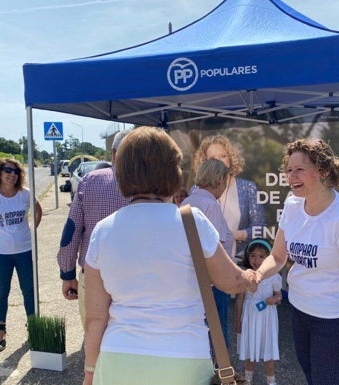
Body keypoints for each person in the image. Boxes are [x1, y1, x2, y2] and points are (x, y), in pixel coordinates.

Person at [82, 127, 257, 385]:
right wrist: (251, 276)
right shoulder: (191, 222)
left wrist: (89, 372)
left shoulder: (103, 230)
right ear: (173, 171)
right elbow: (230, 281)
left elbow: (96, 316)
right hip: (183, 359)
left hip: (118, 359)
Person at [254, 138, 339, 385]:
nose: (291, 176)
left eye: (300, 169)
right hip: (299, 310)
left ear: (323, 171)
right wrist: (256, 276)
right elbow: (278, 257)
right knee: (310, 375)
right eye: (289, 169)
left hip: (333, 319)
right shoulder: (292, 205)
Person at [57, 130, 131, 330]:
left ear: (114, 153)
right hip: (136, 276)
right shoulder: (153, 186)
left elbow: (71, 232)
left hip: (92, 274)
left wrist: (67, 273)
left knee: (94, 335)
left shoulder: (90, 181)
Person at [0, 158, 42, 351]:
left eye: (16, 172)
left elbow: (38, 211)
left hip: (24, 251)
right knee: (1, 292)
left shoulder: (25, 194)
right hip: (0, 253)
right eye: (8, 170)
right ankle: (1, 331)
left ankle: (33, 328)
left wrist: (32, 230)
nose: (12, 174)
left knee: (29, 291)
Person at [181, 158, 234, 347]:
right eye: (225, 183)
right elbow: (215, 250)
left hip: (193, 279)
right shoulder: (211, 205)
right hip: (213, 283)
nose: (224, 188)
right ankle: (220, 373)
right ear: (218, 179)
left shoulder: (188, 201)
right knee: (218, 332)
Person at [193, 135, 267, 260]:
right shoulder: (196, 190)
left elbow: (261, 228)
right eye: (212, 158)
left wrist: (235, 235)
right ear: (204, 162)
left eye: (223, 156)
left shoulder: (247, 188)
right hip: (205, 262)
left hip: (238, 262)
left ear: (231, 158)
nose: (219, 162)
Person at [235, 238, 281, 385]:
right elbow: (240, 300)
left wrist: (274, 299)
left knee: (268, 351)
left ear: (268, 258)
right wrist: (238, 320)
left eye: (262, 256)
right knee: (250, 349)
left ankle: (271, 381)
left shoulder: (274, 276)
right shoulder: (246, 275)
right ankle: (247, 379)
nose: (257, 260)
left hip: (267, 317)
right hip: (249, 316)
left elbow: (278, 295)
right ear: (248, 256)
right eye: (253, 255)